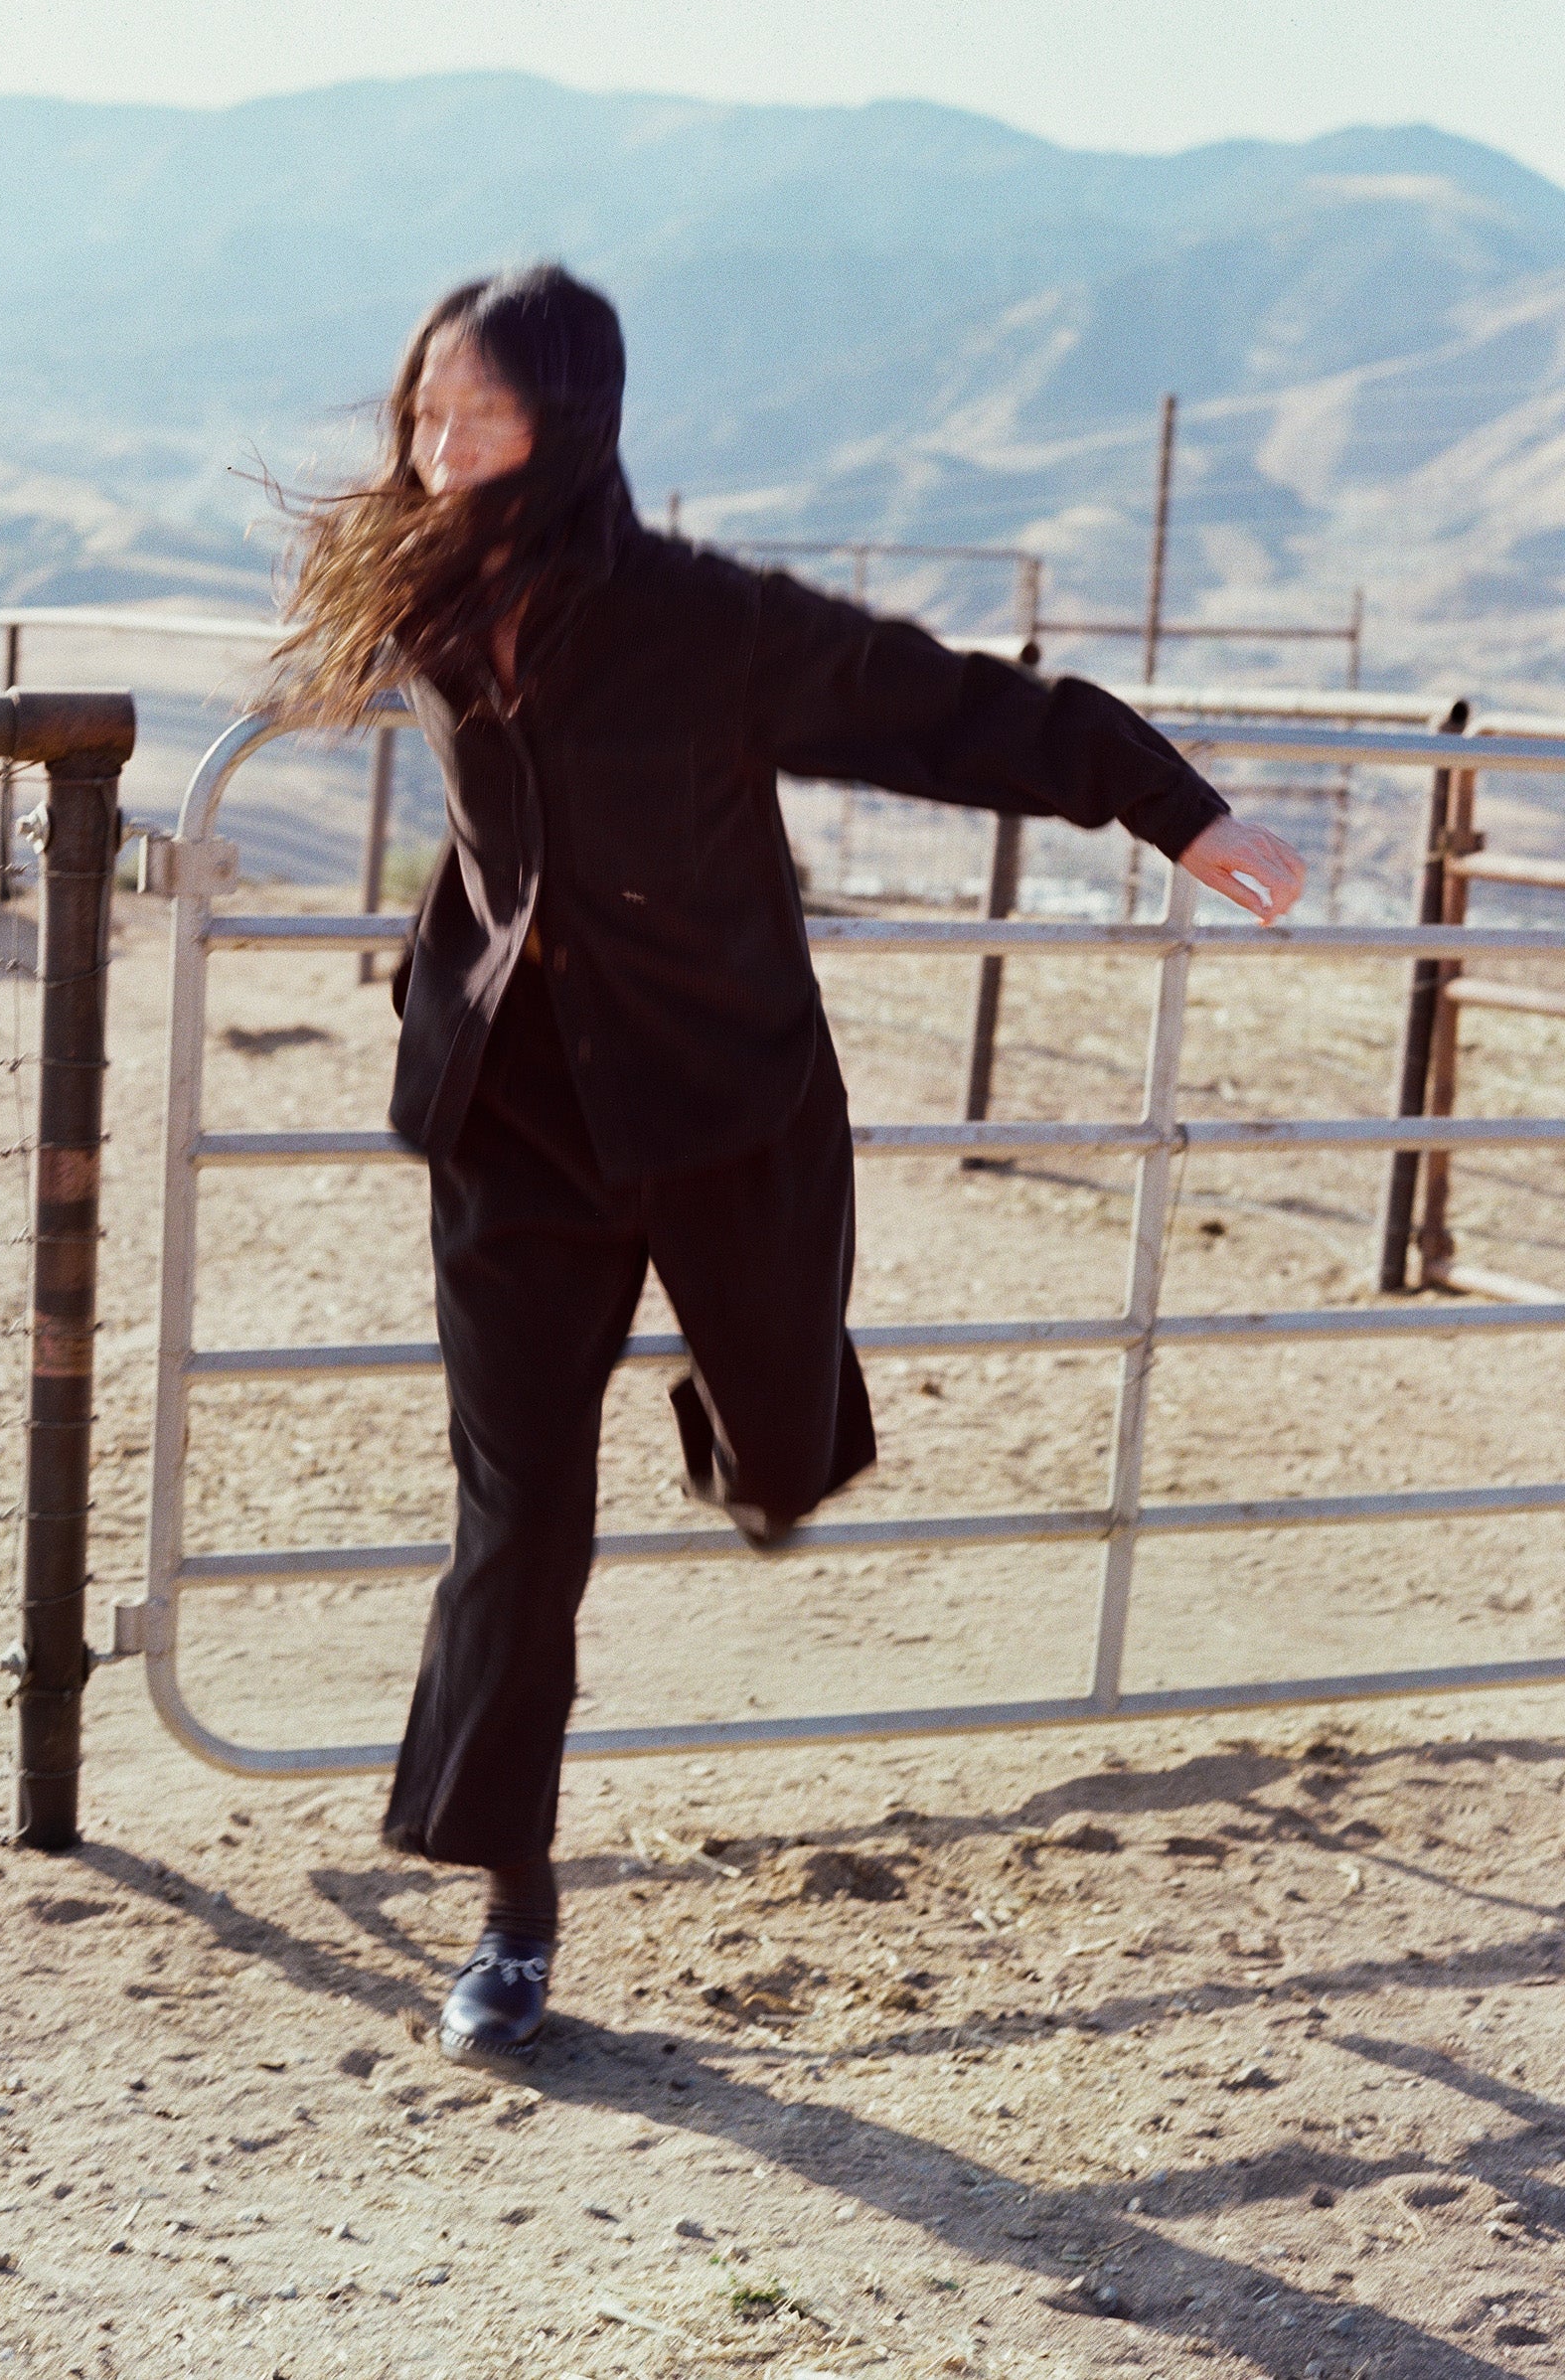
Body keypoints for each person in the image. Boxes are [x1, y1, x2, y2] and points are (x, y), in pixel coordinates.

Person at [276, 263, 1305, 2065]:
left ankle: (748, 1422)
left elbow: (948, 708)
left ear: (571, 421)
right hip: (512, 1125)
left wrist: (1181, 811)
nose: (438, 449)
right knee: (520, 1525)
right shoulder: (420, 586)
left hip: (723, 1099)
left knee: (784, 1447)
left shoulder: (699, 621)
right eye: (422, 411)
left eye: (479, 415)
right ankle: (513, 1909)